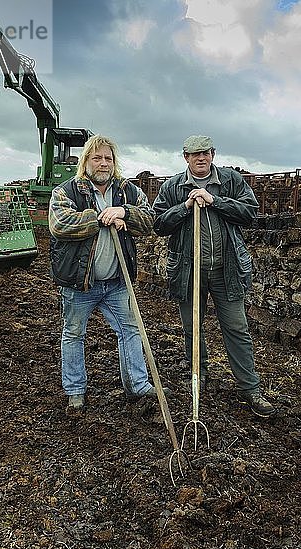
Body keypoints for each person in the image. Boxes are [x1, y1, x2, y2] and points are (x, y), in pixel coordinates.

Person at [152, 135, 276, 418]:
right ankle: (199, 375)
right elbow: (158, 224)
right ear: (185, 157)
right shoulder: (172, 187)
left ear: (213, 154)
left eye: (205, 153)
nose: (201, 158)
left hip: (226, 270)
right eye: (194, 154)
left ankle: (250, 388)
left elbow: (249, 213)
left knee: (237, 327)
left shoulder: (230, 181)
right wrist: (184, 207)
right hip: (188, 271)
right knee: (192, 328)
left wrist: (214, 200)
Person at [49, 134, 171, 409]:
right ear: (86, 162)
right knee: (73, 333)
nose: (103, 163)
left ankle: (137, 385)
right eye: (97, 157)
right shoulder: (66, 191)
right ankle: (75, 390)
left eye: (108, 158)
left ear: (114, 162)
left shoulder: (127, 192)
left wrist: (124, 213)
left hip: (117, 281)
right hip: (80, 283)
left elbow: (149, 219)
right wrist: (100, 217)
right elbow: (60, 224)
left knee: (130, 330)